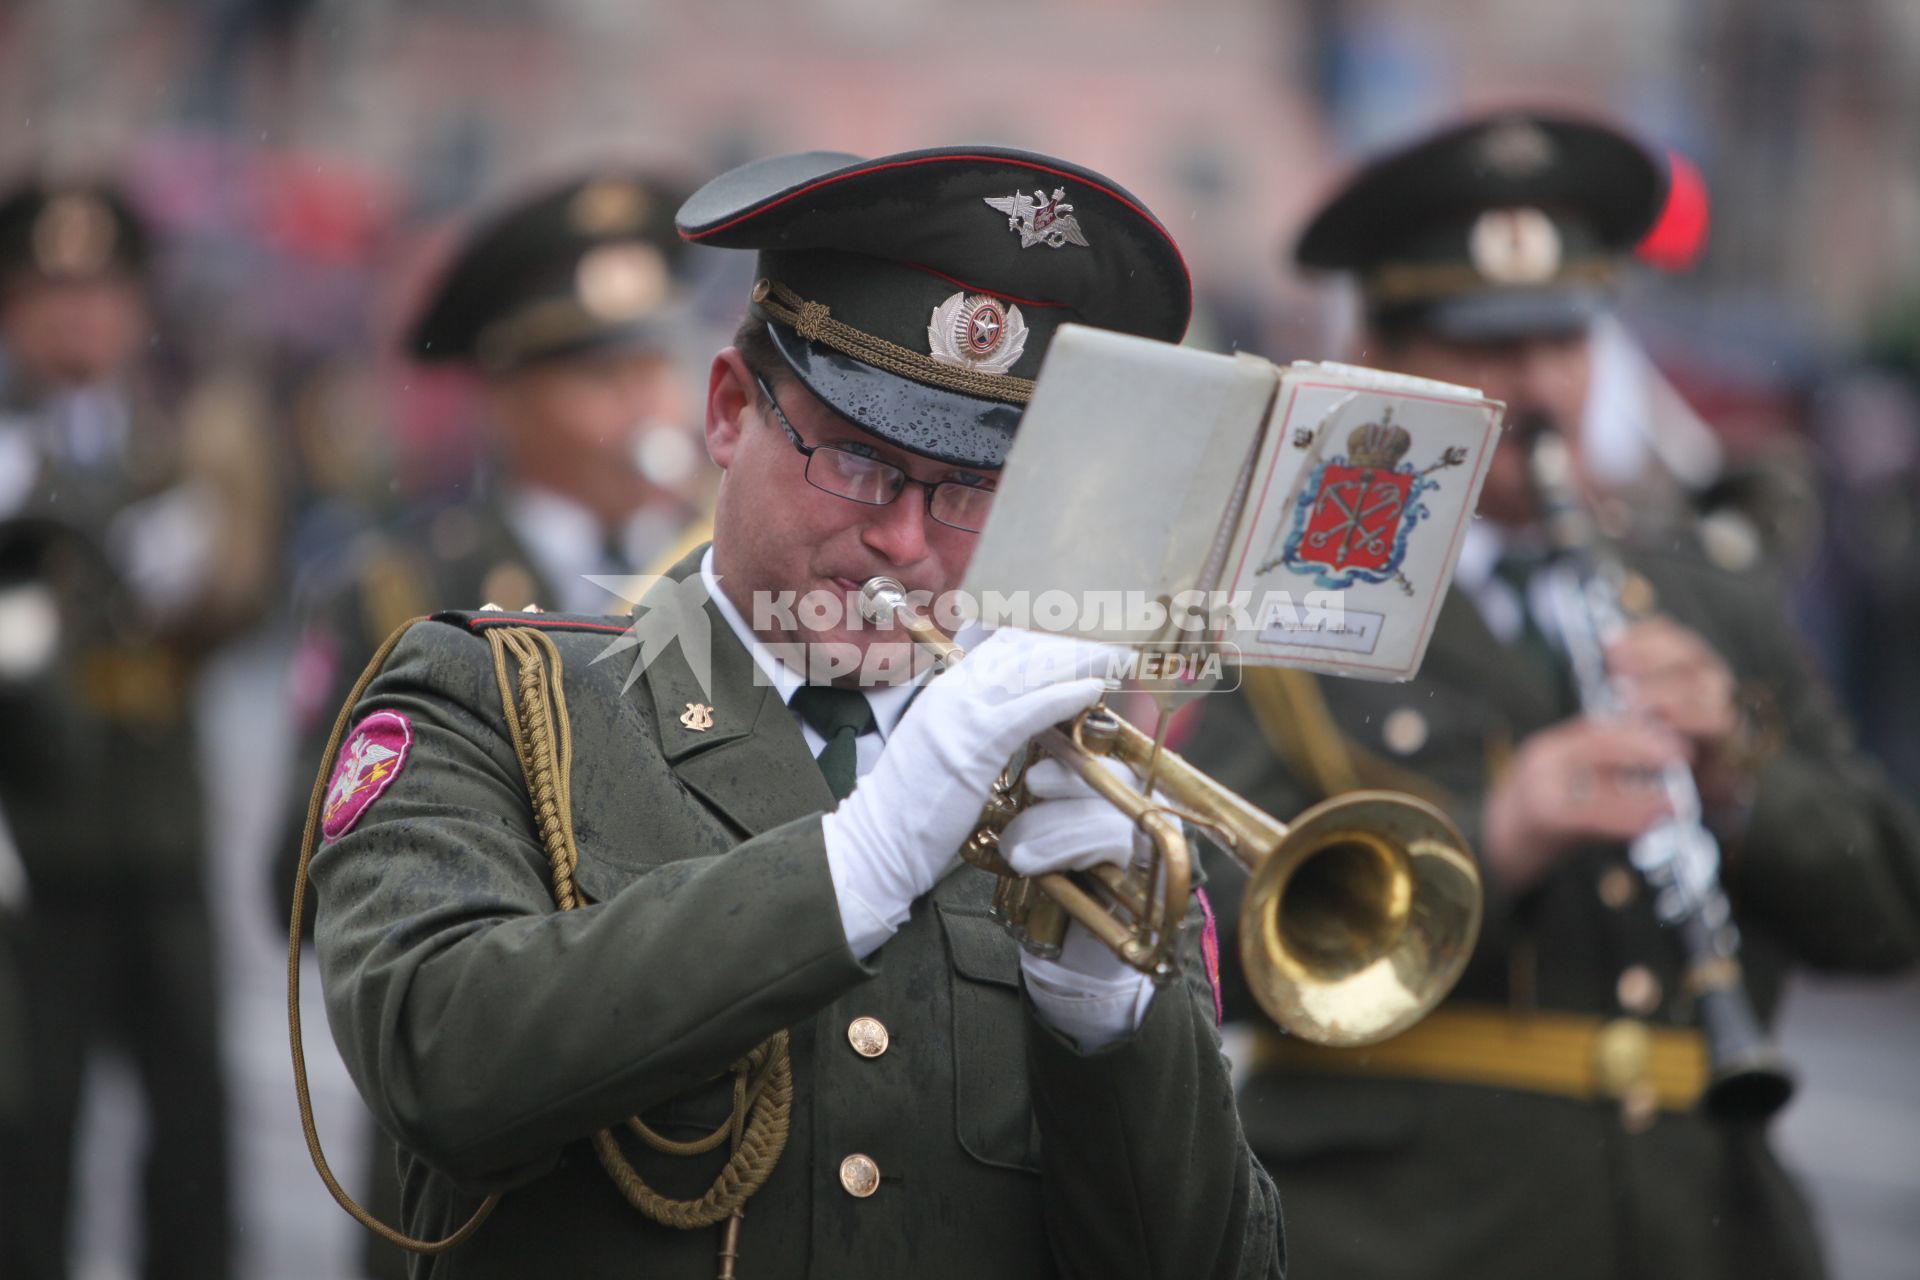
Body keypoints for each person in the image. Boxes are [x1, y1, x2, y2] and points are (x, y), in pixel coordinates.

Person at [299, 145, 1283, 1277]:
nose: (904, 542)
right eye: (859, 461)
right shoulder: (494, 700)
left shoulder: (1081, 784)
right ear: (728, 412)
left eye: (970, 490)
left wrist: (1116, 1029)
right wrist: (858, 859)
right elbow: (438, 1058)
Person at [1182, 110, 1920, 1280]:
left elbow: (1890, 910)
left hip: (1702, 1227)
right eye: (1489, 346)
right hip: (1400, 1233)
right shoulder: (1290, 596)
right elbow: (1199, 937)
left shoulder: (1705, 592)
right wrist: (1493, 838)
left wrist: (1736, 773)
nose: (1540, 385)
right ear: (1386, 354)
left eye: (1566, 339)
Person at [275, 167, 711, 1279]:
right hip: (490, 1127)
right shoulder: (399, 586)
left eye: (654, 368)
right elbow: (303, 868)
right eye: (604, 377)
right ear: (508, 394)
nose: (645, 409)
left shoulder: (729, 584)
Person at [0, 178, 250, 1279]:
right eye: (49, 293)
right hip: (34, 851)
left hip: (161, 840)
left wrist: (209, 567)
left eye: (99, 293)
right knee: (29, 1128)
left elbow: (243, 599)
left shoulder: (179, 446)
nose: (77, 319)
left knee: (192, 1121)